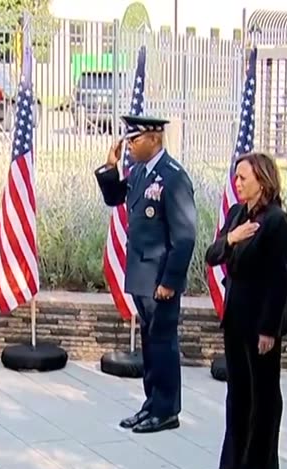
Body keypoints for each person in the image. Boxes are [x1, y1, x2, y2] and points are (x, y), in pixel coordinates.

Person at [95, 115, 197, 434]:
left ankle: (167, 409)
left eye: (135, 140)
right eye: (128, 140)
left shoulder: (173, 177)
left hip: (160, 278)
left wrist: (170, 281)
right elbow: (115, 198)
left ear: (154, 138)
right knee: (151, 342)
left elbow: (185, 237)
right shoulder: (139, 172)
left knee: (164, 342)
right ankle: (152, 403)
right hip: (141, 274)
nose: (130, 146)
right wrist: (110, 169)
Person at [204, 152, 287, 469]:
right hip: (237, 312)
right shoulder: (237, 214)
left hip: (262, 317)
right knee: (238, 389)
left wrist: (270, 328)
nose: (237, 183)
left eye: (244, 178)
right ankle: (234, 458)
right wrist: (231, 238)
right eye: (236, 178)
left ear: (262, 179)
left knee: (263, 393)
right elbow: (213, 255)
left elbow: (279, 278)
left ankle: (260, 467)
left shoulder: (277, 221)